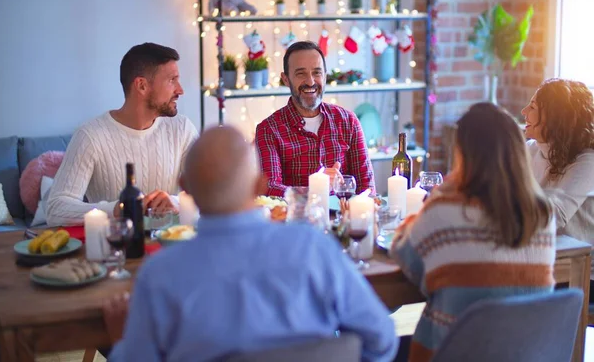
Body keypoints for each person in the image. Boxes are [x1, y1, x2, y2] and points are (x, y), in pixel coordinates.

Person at [103, 125, 398, 362]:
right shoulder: (312, 247)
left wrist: (121, 343)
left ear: (186, 188)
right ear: (259, 184)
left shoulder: (159, 274)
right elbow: (382, 340)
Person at [390, 103, 555, 361]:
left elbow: (404, 254)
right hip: (524, 353)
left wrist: (446, 188)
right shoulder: (543, 214)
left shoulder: (445, 209)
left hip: (452, 353)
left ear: (462, 154)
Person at [47, 42, 198, 226]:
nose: (180, 90)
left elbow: (211, 195)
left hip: (171, 248)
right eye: (171, 80)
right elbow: (56, 210)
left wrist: (176, 203)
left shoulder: (182, 129)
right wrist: (118, 209)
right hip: (115, 250)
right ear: (141, 86)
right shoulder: (90, 136)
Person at [255, 41, 375, 197]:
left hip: (343, 219)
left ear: (325, 76)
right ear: (286, 79)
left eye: (317, 72)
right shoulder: (268, 129)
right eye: (301, 73)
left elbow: (367, 187)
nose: (310, 82)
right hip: (295, 220)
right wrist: (316, 188)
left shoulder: (348, 121)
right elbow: (270, 188)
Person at [521, 78, 594, 286]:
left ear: (555, 117)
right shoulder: (532, 149)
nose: (524, 111)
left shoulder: (587, 160)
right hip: (541, 259)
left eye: (533, 107)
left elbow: (555, 215)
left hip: (580, 274)